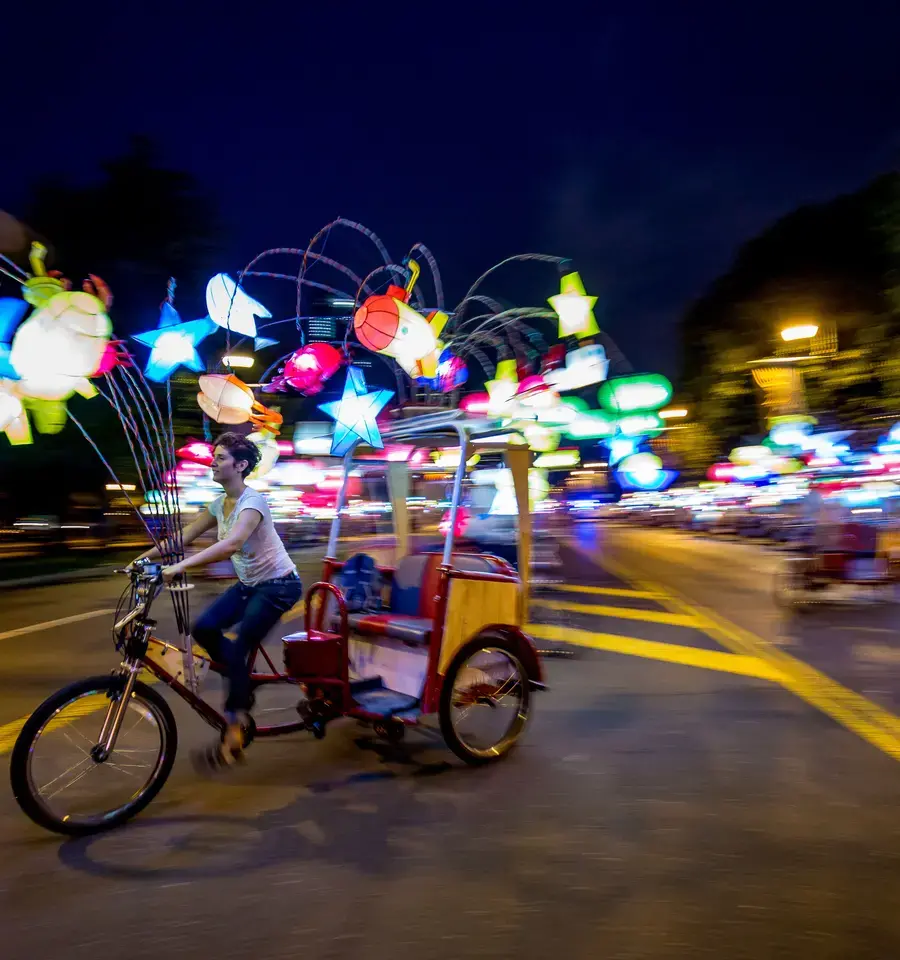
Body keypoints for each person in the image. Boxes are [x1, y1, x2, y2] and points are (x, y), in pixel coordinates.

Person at [133, 432, 303, 766]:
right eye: (214, 455)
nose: (212, 461)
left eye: (221, 457)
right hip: (249, 584)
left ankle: (234, 722)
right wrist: (142, 560)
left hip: (279, 586)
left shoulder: (252, 502)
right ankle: (242, 679)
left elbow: (231, 544)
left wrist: (179, 567)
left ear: (240, 466)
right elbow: (183, 537)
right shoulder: (217, 504)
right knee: (205, 628)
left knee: (239, 646)